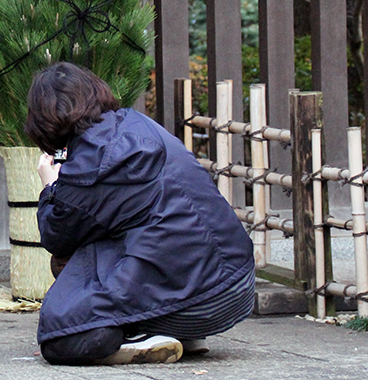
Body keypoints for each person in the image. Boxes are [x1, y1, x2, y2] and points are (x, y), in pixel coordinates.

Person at [24, 62, 255, 365]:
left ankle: (140, 336)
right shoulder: (138, 124)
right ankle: (176, 332)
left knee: (60, 335)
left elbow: (57, 236)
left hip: (196, 300)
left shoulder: (91, 161)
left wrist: (50, 187)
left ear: (46, 119)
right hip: (237, 284)